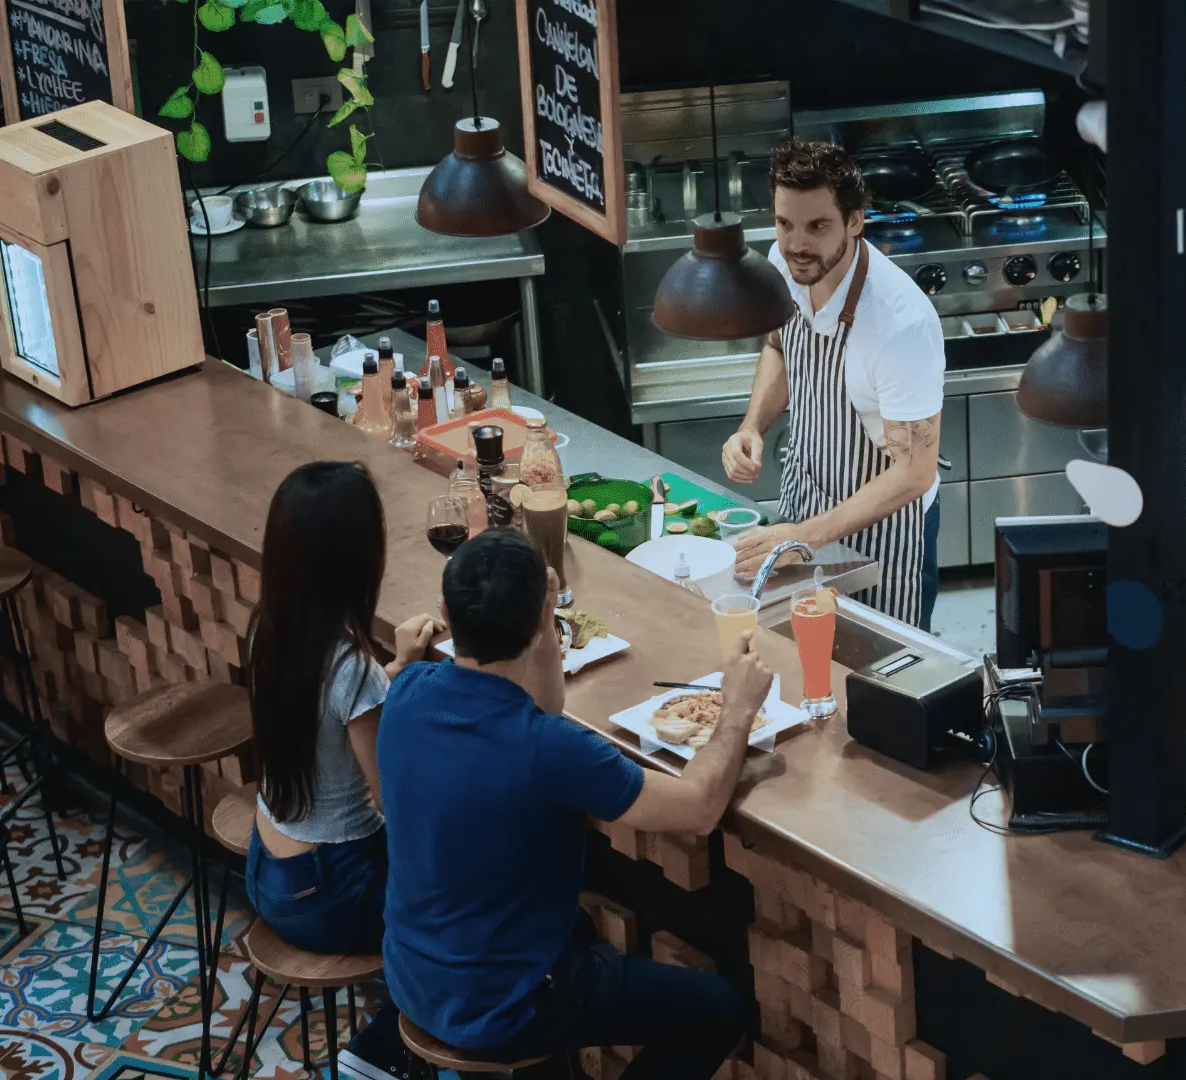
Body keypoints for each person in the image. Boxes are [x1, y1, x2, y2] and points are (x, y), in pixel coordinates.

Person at [377, 529, 775, 1079]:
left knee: (584, 932)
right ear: (542, 618)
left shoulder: (407, 690)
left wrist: (541, 620)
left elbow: (542, 705)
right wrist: (738, 708)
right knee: (716, 1008)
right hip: (503, 1007)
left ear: (446, 611)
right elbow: (700, 807)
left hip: (413, 976)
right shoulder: (547, 749)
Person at [241, 461, 438, 1080]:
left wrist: (396, 669)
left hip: (266, 868)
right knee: (466, 906)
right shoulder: (353, 666)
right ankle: (380, 1052)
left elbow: (332, 716)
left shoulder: (269, 628)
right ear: (357, 559)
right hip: (329, 894)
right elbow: (394, 803)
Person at [721, 138, 946, 629]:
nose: (796, 244)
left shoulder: (900, 325)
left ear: (855, 220)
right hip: (804, 503)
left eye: (817, 226)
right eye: (785, 224)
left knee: (876, 670)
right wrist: (752, 425)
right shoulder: (785, 265)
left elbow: (914, 471)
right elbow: (778, 347)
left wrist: (805, 536)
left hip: (887, 530)